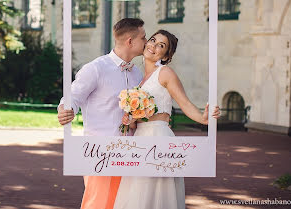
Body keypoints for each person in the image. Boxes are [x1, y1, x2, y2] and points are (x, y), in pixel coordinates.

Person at [113, 29, 221, 209]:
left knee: (154, 194)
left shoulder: (165, 73)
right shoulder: (139, 79)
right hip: (140, 138)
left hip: (158, 137)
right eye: (153, 40)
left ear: (167, 55)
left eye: (161, 45)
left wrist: (203, 118)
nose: (154, 46)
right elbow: (139, 118)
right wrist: (130, 118)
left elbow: (184, 103)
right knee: (136, 195)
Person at [57, 18, 147, 209]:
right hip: (100, 152)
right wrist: (66, 109)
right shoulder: (96, 68)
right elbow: (72, 96)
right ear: (130, 41)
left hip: (131, 153)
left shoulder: (137, 73)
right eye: (143, 37)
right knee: (98, 203)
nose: (146, 42)